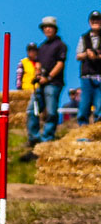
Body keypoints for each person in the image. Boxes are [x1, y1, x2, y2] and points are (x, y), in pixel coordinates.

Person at [28, 16, 68, 144]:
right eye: (45, 27)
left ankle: (47, 138)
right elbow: (38, 63)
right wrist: (38, 75)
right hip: (42, 84)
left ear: (55, 29)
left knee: (51, 111)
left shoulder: (60, 45)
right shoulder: (42, 46)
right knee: (32, 109)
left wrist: (49, 77)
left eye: (50, 27)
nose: (47, 29)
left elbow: (60, 64)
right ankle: (34, 138)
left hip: (53, 83)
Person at [75, 10, 101, 125]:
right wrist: (87, 54)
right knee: (84, 106)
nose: (95, 22)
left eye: (98, 20)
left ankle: (97, 129)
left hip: (99, 76)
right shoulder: (84, 37)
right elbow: (78, 55)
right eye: (93, 20)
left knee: (99, 106)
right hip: (86, 77)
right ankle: (83, 131)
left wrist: (97, 56)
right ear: (90, 22)